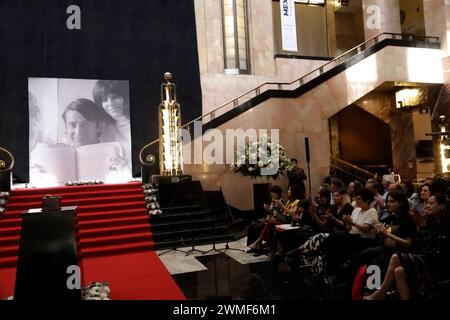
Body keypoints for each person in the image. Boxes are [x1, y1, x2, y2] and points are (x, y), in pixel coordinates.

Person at [364, 194, 449, 300]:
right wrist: (381, 233)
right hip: (389, 249)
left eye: (392, 201)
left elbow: (411, 243)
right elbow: (384, 238)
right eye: (388, 202)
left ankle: (380, 292)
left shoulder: (408, 219)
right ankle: (369, 290)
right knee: (395, 270)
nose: (389, 204)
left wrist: (387, 233)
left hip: (411, 253)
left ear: (401, 203)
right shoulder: (390, 218)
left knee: (379, 263)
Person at [92, 80, 131, 161]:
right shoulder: (103, 126)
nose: (110, 103)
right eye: (104, 99)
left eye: (115, 97)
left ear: (125, 97)